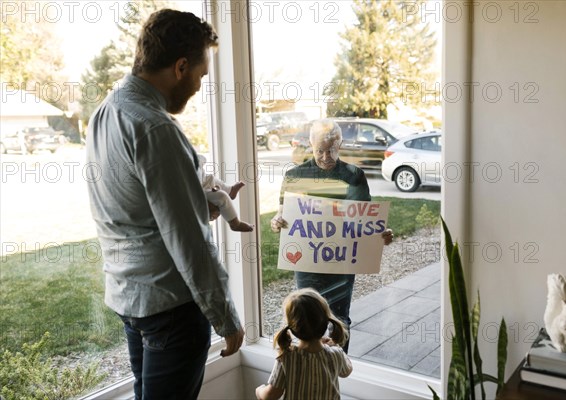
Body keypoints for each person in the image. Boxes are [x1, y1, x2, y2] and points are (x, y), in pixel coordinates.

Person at [85, 9, 244, 399]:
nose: (197, 88)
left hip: (131, 299)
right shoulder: (156, 128)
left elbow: (133, 208)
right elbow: (188, 240)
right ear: (180, 67)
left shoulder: (106, 113)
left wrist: (198, 202)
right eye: (200, 77)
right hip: (171, 309)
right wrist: (227, 318)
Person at [270, 119, 393, 353]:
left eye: (332, 150)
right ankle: (308, 367)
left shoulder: (353, 175)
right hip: (308, 258)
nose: (326, 156)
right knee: (305, 315)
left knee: (339, 318)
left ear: (341, 144)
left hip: (342, 259)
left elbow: (364, 217)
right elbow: (283, 211)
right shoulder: (296, 175)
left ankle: (337, 367)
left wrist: (381, 234)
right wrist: (278, 221)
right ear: (310, 144)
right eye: (320, 151)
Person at [255, 288, 353, 400]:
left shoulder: (287, 357)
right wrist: (335, 347)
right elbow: (346, 371)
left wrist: (259, 391)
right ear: (326, 322)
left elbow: (271, 395)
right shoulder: (335, 354)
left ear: (292, 327)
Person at [198, 164, 253, 232]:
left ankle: (230, 190)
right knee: (221, 196)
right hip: (198, 192)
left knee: (211, 178)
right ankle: (235, 224)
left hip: (202, 180)